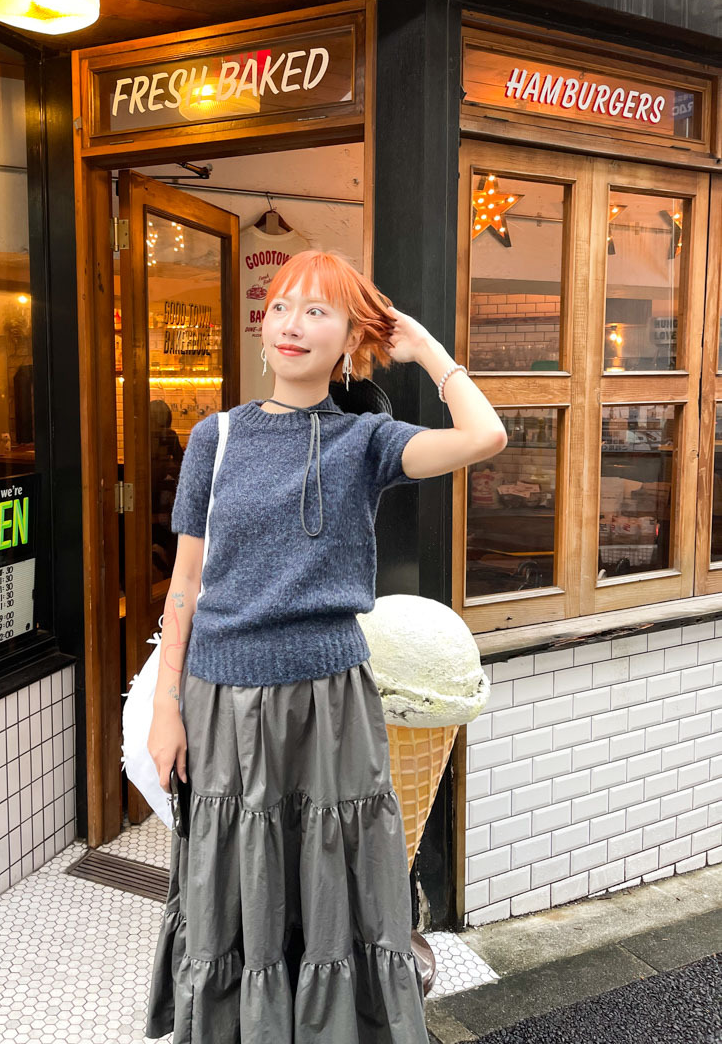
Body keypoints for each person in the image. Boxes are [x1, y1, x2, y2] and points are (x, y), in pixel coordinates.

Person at [144, 249, 507, 1042]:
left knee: (330, 877)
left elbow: (485, 435)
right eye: (280, 306)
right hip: (222, 699)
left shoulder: (365, 442)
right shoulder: (215, 438)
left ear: (350, 338)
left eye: (317, 311)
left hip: (329, 703)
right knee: (237, 876)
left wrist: (426, 350)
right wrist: (167, 706)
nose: (292, 325)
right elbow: (185, 585)